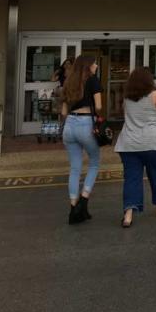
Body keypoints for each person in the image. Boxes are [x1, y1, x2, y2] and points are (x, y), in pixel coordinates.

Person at [115, 67, 156, 228]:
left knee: (132, 178)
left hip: (129, 143)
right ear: (149, 80)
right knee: (155, 174)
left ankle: (128, 215)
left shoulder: (127, 98)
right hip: (152, 143)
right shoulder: (154, 95)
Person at [60, 55, 103, 225]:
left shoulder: (68, 82)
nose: (96, 65)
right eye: (94, 63)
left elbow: (63, 112)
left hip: (69, 125)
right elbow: (98, 106)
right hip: (86, 123)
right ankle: (83, 201)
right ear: (88, 66)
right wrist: (97, 113)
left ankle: (73, 208)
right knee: (93, 163)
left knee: (75, 168)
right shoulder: (93, 81)